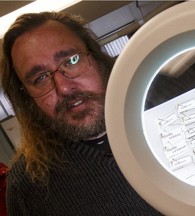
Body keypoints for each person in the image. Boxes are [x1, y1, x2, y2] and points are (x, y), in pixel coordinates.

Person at [1, 12, 161, 215]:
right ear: (26, 98)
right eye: (40, 78)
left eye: (71, 60)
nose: (64, 88)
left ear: (96, 56)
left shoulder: (169, 101)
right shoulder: (28, 187)